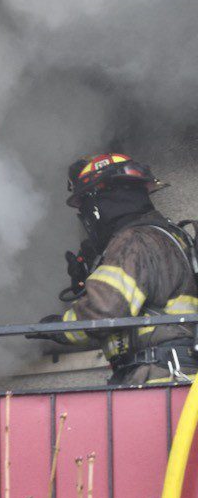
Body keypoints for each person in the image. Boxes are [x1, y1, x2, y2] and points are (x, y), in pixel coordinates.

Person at [35, 154, 198, 384]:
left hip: (158, 377)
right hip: (176, 374)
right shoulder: (168, 236)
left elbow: (105, 311)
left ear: (99, 204)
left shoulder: (132, 241)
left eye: (86, 207)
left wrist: (59, 328)